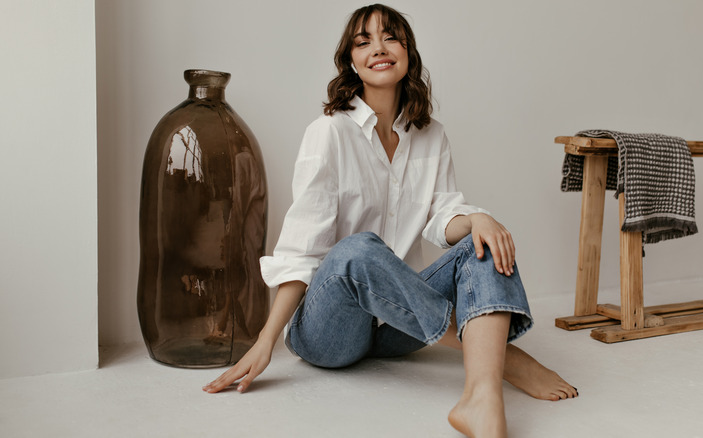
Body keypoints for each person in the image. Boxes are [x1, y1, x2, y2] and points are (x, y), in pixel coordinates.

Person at [203, 4, 578, 437]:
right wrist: (266, 341)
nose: (378, 49)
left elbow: (442, 217)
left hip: (397, 326)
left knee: (482, 239)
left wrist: (476, 219)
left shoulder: (431, 134)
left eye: (390, 38)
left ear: (408, 52)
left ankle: (482, 396)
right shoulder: (329, 133)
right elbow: (301, 251)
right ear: (351, 61)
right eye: (363, 42)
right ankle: (504, 357)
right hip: (329, 331)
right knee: (359, 249)